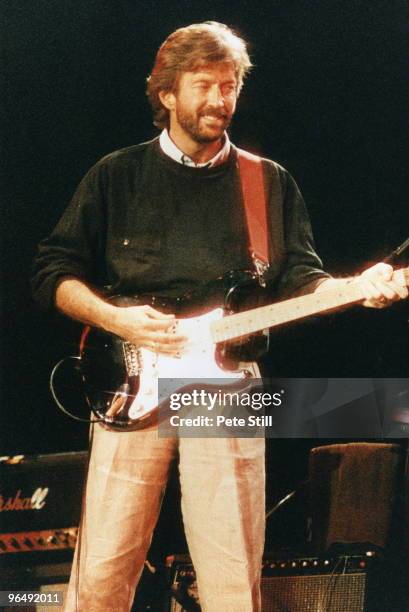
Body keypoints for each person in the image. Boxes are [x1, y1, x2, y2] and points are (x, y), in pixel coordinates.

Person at [31, 21, 407, 612]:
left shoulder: (267, 181)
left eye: (229, 86)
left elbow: (302, 282)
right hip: (128, 379)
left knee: (231, 571)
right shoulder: (116, 175)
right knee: (102, 570)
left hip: (230, 381)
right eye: (203, 85)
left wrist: (358, 289)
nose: (220, 101)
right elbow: (54, 274)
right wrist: (117, 320)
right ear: (166, 93)